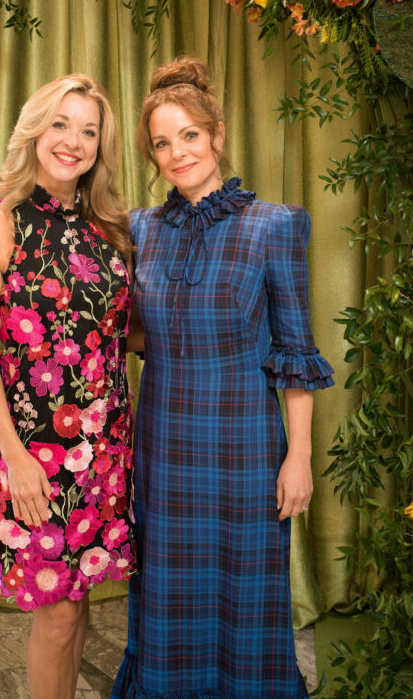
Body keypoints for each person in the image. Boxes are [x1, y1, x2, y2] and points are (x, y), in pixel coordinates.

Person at [111, 57, 334, 699]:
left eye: (188, 135)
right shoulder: (141, 232)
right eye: (161, 142)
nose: (177, 153)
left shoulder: (275, 225)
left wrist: (300, 456)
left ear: (217, 134)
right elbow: (129, 330)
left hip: (244, 445)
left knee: (247, 590)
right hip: (165, 444)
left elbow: (296, 350)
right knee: (167, 588)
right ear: (151, 155)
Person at [0, 74, 135, 699]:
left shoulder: (106, 231)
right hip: (35, 452)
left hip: (104, 450)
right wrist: (13, 457)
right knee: (56, 614)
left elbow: (126, 333)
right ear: (35, 129)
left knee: (77, 607)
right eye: (61, 124)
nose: (74, 141)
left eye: (89, 130)